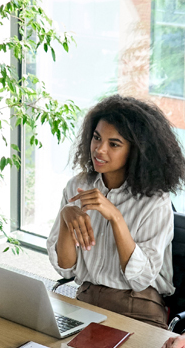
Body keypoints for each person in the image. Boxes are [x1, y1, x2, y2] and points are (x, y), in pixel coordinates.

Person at [46, 95, 184, 329]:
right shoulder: (76, 186)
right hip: (86, 298)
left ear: (136, 150)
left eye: (114, 144)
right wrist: (65, 218)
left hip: (138, 308)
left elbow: (141, 280)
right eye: (97, 138)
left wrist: (116, 217)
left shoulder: (155, 201)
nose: (99, 150)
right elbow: (65, 268)